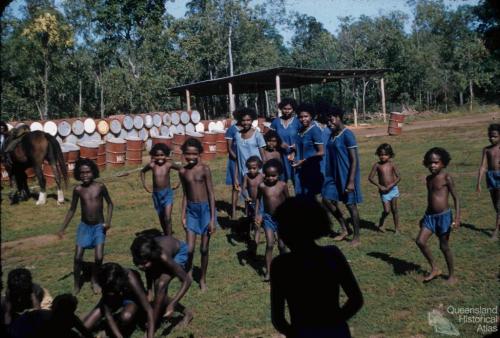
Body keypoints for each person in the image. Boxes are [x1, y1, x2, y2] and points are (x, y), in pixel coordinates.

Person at [270, 197, 363, 338]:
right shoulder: (332, 255)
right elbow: (356, 299)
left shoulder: (281, 265)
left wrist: (296, 333)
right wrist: (334, 323)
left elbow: (278, 319)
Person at [58, 158, 114, 294]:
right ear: (78, 174)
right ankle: (77, 284)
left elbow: (110, 204)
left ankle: (95, 280)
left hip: (99, 227)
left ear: (93, 172)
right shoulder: (78, 189)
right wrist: (62, 228)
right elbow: (72, 209)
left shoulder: (100, 187)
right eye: (82, 173)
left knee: (99, 257)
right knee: (77, 257)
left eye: (88, 172)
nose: (85, 175)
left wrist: (108, 222)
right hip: (84, 227)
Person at [130, 230, 192, 328]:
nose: (141, 267)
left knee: (161, 284)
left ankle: (153, 324)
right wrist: (149, 290)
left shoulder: (163, 256)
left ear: (151, 257)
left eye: (144, 263)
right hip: (158, 256)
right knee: (159, 292)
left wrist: (173, 303)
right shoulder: (140, 254)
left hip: (178, 253)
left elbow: (187, 280)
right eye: (139, 264)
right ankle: (185, 312)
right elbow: (148, 271)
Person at [416, 147, 460, 284]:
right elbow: (431, 198)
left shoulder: (446, 177)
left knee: (444, 246)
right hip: (430, 216)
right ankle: (434, 268)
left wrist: (457, 218)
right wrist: (425, 215)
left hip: (444, 217)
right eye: (430, 163)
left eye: (436, 162)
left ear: (443, 163)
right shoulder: (429, 179)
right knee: (420, 241)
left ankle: (452, 275)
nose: (432, 165)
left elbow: (456, 198)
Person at [321, 107, 363, 247]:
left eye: (331, 119)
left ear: (339, 117)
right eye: (327, 120)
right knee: (326, 199)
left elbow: (354, 160)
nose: (329, 122)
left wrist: (351, 181)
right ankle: (345, 227)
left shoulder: (347, 134)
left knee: (350, 205)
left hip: (346, 175)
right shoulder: (332, 135)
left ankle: (356, 237)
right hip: (333, 175)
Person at [179, 138, 216, 291]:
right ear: (183, 154)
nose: (191, 157)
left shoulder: (204, 169)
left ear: (199, 153)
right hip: (191, 211)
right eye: (188, 153)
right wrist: (183, 215)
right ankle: (187, 274)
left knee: (204, 248)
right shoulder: (182, 171)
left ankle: (202, 279)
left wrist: (213, 219)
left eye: (194, 154)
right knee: (189, 248)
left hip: (205, 210)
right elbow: (185, 195)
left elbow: (211, 194)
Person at [83, 263, 154, 338]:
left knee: (126, 316)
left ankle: (109, 328)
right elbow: (108, 314)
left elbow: (148, 309)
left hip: (131, 298)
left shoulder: (131, 278)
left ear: (119, 281)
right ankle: (110, 325)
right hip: (116, 298)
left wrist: (150, 335)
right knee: (86, 325)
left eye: (112, 290)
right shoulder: (106, 280)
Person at [255, 159, 289, 281]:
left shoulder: (283, 185)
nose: (270, 178)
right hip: (268, 218)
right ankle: (269, 272)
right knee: (269, 244)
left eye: (273, 175)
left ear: (279, 174)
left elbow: (288, 201)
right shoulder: (262, 186)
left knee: (282, 245)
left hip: (282, 218)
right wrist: (258, 214)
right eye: (268, 175)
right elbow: (258, 200)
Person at [140, 143, 180, 236]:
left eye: (162, 155)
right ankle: (166, 235)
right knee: (161, 217)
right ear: (153, 156)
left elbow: (181, 169)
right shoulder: (152, 165)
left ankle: (169, 238)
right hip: (156, 194)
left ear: (166, 155)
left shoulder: (169, 164)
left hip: (167, 194)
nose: (160, 157)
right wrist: (145, 185)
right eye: (157, 155)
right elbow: (142, 172)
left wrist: (178, 183)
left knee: (168, 218)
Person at [289, 103, 324, 198]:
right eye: (300, 117)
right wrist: (293, 153)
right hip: (300, 168)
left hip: (311, 167)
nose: (303, 119)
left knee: (310, 195)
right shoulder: (300, 130)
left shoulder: (315, 130)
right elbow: (299, 146)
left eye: (306, 116)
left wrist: (304, 160)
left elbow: (321, 152)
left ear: (311, 116)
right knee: (301, 195)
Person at [368, 143, 401, 233]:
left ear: (390, 155)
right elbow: (370, 178)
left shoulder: (392, 165)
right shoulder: (377, 165)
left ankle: (396, 228)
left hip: (393, 190)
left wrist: (391, 185)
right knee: (386, 211)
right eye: (381, 154)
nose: (383, 156)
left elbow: (399, 177)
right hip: (384, 192)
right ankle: (381, 223)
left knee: (394, 209)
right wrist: (380, 186)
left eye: (385, 154)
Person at [233, 107, 266, 193]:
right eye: (243, 120)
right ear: (240, 120)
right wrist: (236, 176)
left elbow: (263, 156)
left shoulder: (257, 135)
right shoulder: (237, 135)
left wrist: (264, 173)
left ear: (252, 120)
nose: (246, 122)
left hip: (257, 171)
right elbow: (238, 158)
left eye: (248, 120)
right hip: (244, 172)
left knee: (259, 196)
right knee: (246, 197)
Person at [476, 123, 500, 240]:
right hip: (490, 177)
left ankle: (496, 231)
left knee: (499, 205)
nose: (492, 138)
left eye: (494, 136)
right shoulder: (486, 150)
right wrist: (478, 183)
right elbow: (482, 166)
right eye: (490, 136)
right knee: (495, 204)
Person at [270, 98, 301, 184]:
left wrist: (297, 145)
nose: (287, 111)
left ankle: (299, 197)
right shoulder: (275, 122)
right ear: (281, 108)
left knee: (297, 179)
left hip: (295, 154)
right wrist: (278, 143)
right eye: (285, 108)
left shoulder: (298, 122)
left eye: (289, 109)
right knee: (281, 180)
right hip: (280, 155)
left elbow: (303, 136)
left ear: (293, 109)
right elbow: (270, 138)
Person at [241, 156, 264, 254]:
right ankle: (248, 236)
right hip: (251, 203)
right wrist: (246, 195)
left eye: (254, 168)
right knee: (250, 220)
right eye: (249, 168)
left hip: (261, 203)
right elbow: (243, 188)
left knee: (257, 225)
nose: (251, 170)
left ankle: (254, 247)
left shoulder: (262, 176)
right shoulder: (246, 176)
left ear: (259, 167)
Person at [225, 117, 241, 219]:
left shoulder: (250, 129)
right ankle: (233, 211)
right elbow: (229, 149)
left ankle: (249, 210)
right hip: (235, 160)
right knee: (235, 186)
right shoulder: (231, 130)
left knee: (248, 185)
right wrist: (237, 158)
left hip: (247, 161)